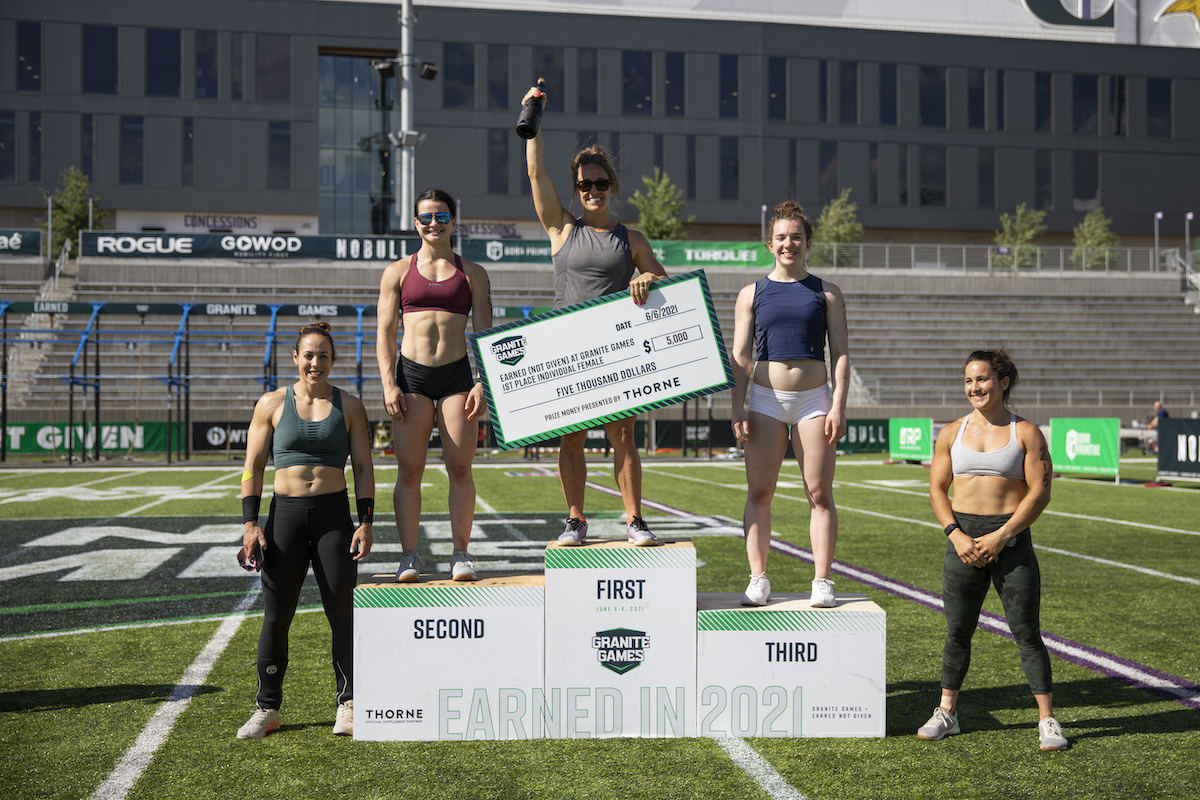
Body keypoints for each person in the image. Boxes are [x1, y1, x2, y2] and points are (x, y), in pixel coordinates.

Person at [522, 85, 668, 547]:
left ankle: (634, 520)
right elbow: (535, 173)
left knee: (624, 435)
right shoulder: (561, 227)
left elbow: (670, 292)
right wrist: (533, 116)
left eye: (600, 183)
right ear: (576, 188)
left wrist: (647, 281)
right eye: (584, 184)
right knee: (571, 440)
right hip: (567, 348)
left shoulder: (634, 239)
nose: (592, 190)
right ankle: (575, 520)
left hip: (619, 351)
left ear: (612, 187)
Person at [918, 349, 1067, 751]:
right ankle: (946, 713)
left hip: (1012, 542)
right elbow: (936, 488)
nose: (974, 387)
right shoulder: (951, 432)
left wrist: (1002, 535)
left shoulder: (1027, 433)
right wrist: (955, 534)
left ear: (1003, 382)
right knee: (957, 632)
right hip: (962, 542)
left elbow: (1041, 492)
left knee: (1026, 633)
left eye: (981, 379)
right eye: (968, 380)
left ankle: (1047, 721)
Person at [237, 322, 375, 739]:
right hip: (285, 520)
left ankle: (348, 703)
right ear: (295, 358)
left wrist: (366, 522)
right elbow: (253, 467)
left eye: (324, 356)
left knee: (342, 615)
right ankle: (267, 709)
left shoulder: (349, 406)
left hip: (334, 517)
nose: (316, 362)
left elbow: (365, 468)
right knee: (277, 618)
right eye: (309, 355)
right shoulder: (271, 404)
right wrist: (249, 523)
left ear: (334, 361)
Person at [730, 201, 849, 608]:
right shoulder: (751, 293)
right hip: (764, 401)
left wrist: (838, 405)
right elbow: (741, 355)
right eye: (781, 237)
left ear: (807, 242)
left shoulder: (827, 292)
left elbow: (842, 354)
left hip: (814, 401)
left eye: (796, 237)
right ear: (770, 243)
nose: (789, 244)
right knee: (760, 492)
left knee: (819, 493)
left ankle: (822, 582)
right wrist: (737, 406)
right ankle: (758, 579)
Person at [377, 189, 493, 581]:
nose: (433, 224)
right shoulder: (396, 272)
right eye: (426, 217)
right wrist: (389, 383)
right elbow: (385, 331)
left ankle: (461, 554)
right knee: (409, 471)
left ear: (453, 221)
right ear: (415, 223)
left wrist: (483, 382)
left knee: (460, 468)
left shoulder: (473, 273)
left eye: (441, 217)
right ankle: (409, 555)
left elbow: (485, 333)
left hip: (458, 378)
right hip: (412, 378)